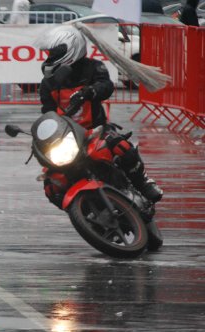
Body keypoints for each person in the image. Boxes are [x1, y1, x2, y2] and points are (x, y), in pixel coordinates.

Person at [36, 25, 163, 208]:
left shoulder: (93, 67)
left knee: (120, 145)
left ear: (71, 48)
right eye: (49, 53)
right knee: (51, 183)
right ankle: (81, 210)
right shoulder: (48, 83)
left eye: (53, 53)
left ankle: (143, 182)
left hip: (96, 130)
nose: (50, 58)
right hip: (68, 139)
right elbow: (47, 112)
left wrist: (90, 91)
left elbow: (106, 86)